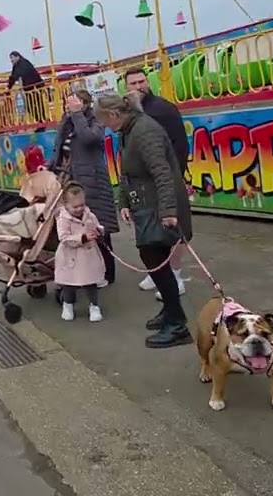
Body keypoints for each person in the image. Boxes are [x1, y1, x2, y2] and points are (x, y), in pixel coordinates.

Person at [94, 93, 194, 349]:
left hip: (159, 205)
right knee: (152, 258)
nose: (105, 126)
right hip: (147, 204)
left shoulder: (144, 131)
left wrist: (169, 211)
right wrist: (124, 202)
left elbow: (162, 172)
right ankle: (171, 312)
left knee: (155, 258)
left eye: (104, 120)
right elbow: (127, 173)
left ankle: (177, 323)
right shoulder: (130, 130)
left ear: (115, 115)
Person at [123, 66, 189, 297]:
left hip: (167, 181)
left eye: (142, 81)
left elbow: (180, 146)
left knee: (175, 230)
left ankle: (177, 276)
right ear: (125, 86)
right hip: (144, 187)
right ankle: (158, 272)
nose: (139, 86)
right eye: (133, 83)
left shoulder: (163, 110)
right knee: (153, 232)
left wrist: (174, 179)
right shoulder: (130, 115)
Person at [49, 88, 120, 286]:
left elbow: (90, 139)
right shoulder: (68, 121)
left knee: (97, 226)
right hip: (71, 179)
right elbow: (61, 149)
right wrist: (49, 166)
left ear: (85, 104)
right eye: (69, 102)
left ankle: (108, 272)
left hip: (93, 180)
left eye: (75, 102)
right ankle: (79, 272)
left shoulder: (95, 120)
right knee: (72, 226)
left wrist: (78, 114)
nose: (70, 106)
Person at [54, 183, 105, 323]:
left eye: (82, 205)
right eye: (75, 207)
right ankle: (68, 305)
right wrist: (82, 238)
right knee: (69, 284)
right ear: (66, 205)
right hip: (70, 256)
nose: (79, 209)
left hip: (88, 255)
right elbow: (63, 237)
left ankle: (94, 306)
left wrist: (99, 231)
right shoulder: (62, 219)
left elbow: (97, 225)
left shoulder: (89, 215)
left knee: (91, 283)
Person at [7, 51, 49, 125]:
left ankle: (42, 121)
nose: (11, 60)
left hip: (35, 87)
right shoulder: (16, 66)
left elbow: (16, 75)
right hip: (29, 88)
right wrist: (9, 87)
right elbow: (13, 77)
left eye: (12, 58)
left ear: (17, 57)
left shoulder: (24, 63)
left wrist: (9, 87)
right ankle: (41, 121)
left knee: (37, 104)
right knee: (31, 106)